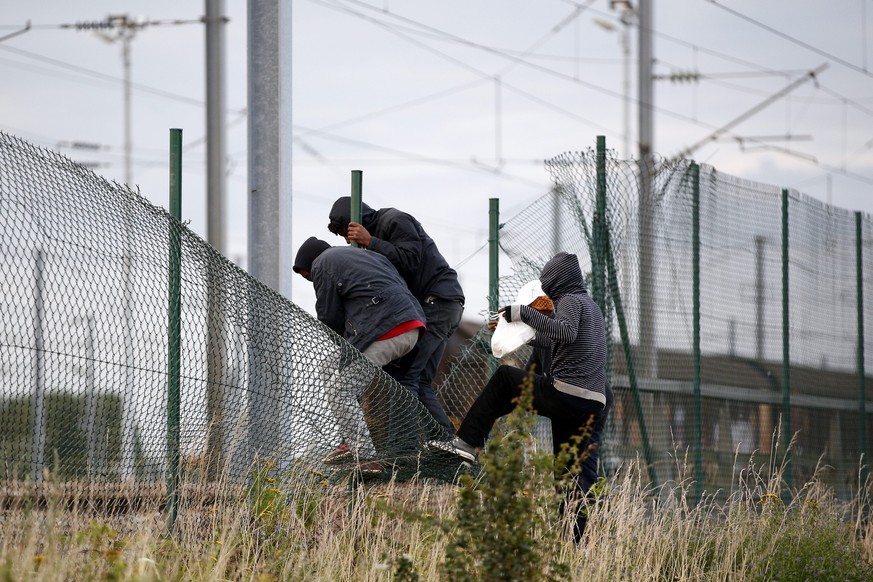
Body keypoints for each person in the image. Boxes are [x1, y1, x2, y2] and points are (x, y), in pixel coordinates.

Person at [430, 251, 609, 543]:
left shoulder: (570, 301)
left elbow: (563, 332)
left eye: (547, 280)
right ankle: (574, 543)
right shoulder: (590, 306)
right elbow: (555, 340)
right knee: (567, 473)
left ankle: (466, 442)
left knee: (504, 378)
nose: (545, 287)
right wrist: (508, 327)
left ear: (556, 280)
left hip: (568, 393)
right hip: (589, 403)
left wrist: (523, 312)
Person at [327, 197, 463, 438]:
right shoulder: (380, 235)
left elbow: (411, 259)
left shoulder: (394, 220)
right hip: (441, 304)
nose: (348, 241)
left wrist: (371, 241)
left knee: (404, 375)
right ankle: (445, 443)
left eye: (345, 233)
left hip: (437, 302)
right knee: (419, 380)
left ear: (354, 223)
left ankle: (404, 448)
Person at [293, 236, 426, 474]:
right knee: (328, 366)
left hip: (389, 330)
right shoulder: (365, 256)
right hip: (408, 325)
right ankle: (349, 440)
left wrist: (342, 343)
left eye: (307, 276)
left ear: (310, 264)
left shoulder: (323, 263)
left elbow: (329, 317)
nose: (310, 279)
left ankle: (366, 456)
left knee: (340, 389)